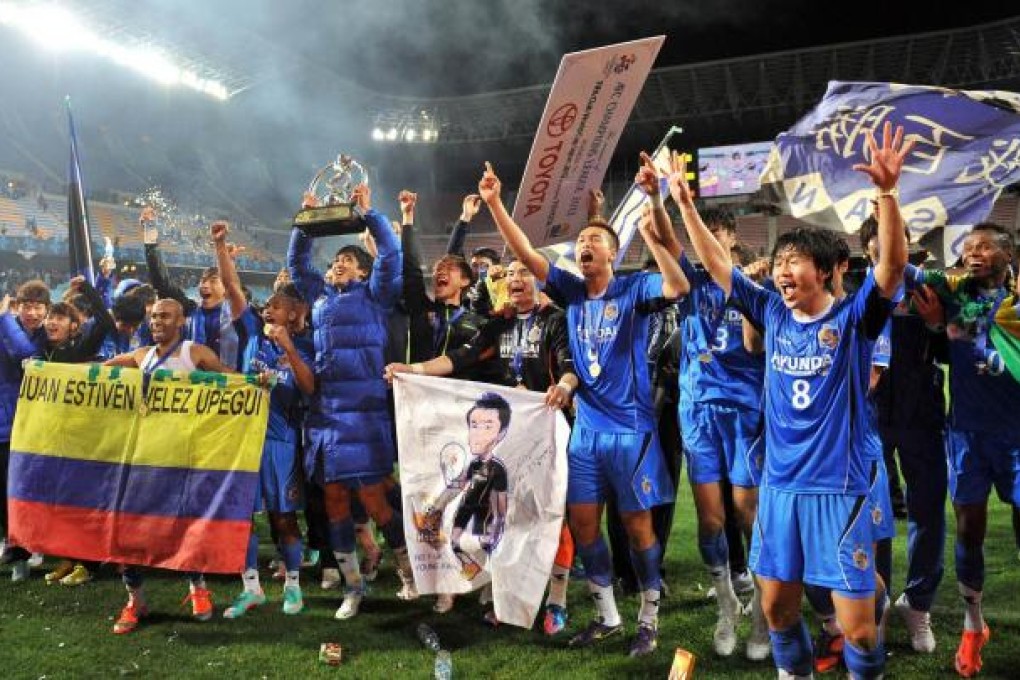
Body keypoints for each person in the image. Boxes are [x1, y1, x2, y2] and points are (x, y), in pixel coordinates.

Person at [674, 121, 912, 680]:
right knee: (780, 610)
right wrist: (686, 206)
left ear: (830, 271)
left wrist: (888, 193)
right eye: (780, 261)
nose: (783, 270)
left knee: (856, 628)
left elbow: (893, 269)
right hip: (780, 488)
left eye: (796, 260)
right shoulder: (774, 313)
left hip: (838, 488)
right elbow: (717, 267)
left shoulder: (854, 320)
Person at [478, 155, 689, 657]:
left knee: (638, 529)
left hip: (632, 431)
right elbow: (526, 254)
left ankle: (648, 617)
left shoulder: (635, 290)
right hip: (587, 432)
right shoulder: (571, 292)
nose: (585, 246)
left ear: (614, 253)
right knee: (584, 524)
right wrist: (494, 204)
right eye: (582, 242)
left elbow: (678, 285)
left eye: (596, 242)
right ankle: (607, 615)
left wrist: (656, 214)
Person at [386, 256, 579, 633]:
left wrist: (564, 387)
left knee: (553, 515)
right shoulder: (499, 324)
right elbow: (462, 358)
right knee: (503, 518)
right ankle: (502, 591)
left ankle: (558, 599)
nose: (516, 279)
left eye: (524, 272)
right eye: (509, 274)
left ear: (539, 279)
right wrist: (414, 370)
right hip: (511, 436)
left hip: (548, 430)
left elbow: (570, 365)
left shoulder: (555, 320)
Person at [644, 193, 769, 661]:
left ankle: (761, 606)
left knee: (747, 513)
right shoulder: (689, 281)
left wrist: (752, 297)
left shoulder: (754, 287)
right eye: (699, 240)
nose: (704, 246)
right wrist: (656, 196)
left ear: (731, 239)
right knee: (711, 519)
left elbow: (757, 348)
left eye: (713, 237)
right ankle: (726, 605)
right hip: (697, 414)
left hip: (743, 411)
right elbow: (664, 233)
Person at [288, 183, 414, 620]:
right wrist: (305, 222)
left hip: (364, 414)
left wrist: (370, 214)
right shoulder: (319, 299)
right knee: (336, 502)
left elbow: (392, 256)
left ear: (362, 272)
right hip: (325, 416)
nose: (338, 264)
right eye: (336, 261)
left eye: (346, 261)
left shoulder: (377, 298)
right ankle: (353, 587)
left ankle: (407, 573)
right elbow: (296, 262)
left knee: (377, 505)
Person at [904, 221, 1020, 677]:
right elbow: (905, 273)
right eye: (968, 247)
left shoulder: (1015, 301)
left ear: (1008, 255)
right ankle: (973, 625)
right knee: (968, 530)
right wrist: (936, 327)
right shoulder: (955, 292)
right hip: (968, 436)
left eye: (985, 246)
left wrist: (942, 327)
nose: (973, 253)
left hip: (1017, 435)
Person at [104, 298, 234, 634]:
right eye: (153, 317)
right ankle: (135, 600)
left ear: (181, 321)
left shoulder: (196, 353)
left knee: (185, 527)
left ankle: (197, 589)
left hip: (184, 459)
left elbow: (233, 383)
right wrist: (43, 370)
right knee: (126, 531)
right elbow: (99, 370)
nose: (157, 321)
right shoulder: (139, 355)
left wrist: (260, 381)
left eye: (164, 316)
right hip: (142, 456)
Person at [210, 221, 315, 620]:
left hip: (281, 443)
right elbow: (233, 289)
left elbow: (310, 389)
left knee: (283, 517)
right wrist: (220, 247)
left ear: (294, 313)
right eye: (267, 305)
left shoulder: (305, 343)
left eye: (276, 306)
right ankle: (250, 588)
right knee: (241, 517)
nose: (267, 309)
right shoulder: (252, 330)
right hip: (244, 440)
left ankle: (293, 586)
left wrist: (289, 349)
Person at [859, 215, 948, 656]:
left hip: (922, 414)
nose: (892, 249)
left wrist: (935, 324)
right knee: (874, 517)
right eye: (881, 245)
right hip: (870, 417)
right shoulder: (858, 291)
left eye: (899, 240)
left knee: (928, 508)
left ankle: (918, 604)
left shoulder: (927, 287)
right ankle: (874, 606)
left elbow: (955, 347)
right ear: (868, 251)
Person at [35, 275, 114, 586]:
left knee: (81, 501)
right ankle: (68, 558)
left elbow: (106, 322)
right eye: (50, 317)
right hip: (52, 436)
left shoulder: (80, 348)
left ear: (73, 326)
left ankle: (90, 563)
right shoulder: (42, 348)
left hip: (82, 438)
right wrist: (63, 296)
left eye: (60, 318)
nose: (52, 322)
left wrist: (87, 289)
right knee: (58, 501)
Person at [141, 206, 258, 372]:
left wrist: (220, 246)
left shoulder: (236, 313)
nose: (205, 284)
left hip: (231, 391)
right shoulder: (190, 310)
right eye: (202, 280)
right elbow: (161, 282)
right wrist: (150, 232)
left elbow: (231, 286)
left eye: (212, 280)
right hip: (195, 393)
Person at [0, 280, 49, 580]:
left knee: (31, 487)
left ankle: (34, 542)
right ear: (19, 306)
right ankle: (12, 544)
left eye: (38, 307)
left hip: (35, 425)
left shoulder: (47, 335)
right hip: (5, 423)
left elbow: (26, 355)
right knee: (3, 489)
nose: (32, 312)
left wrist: (5, 318)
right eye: (26, 306)